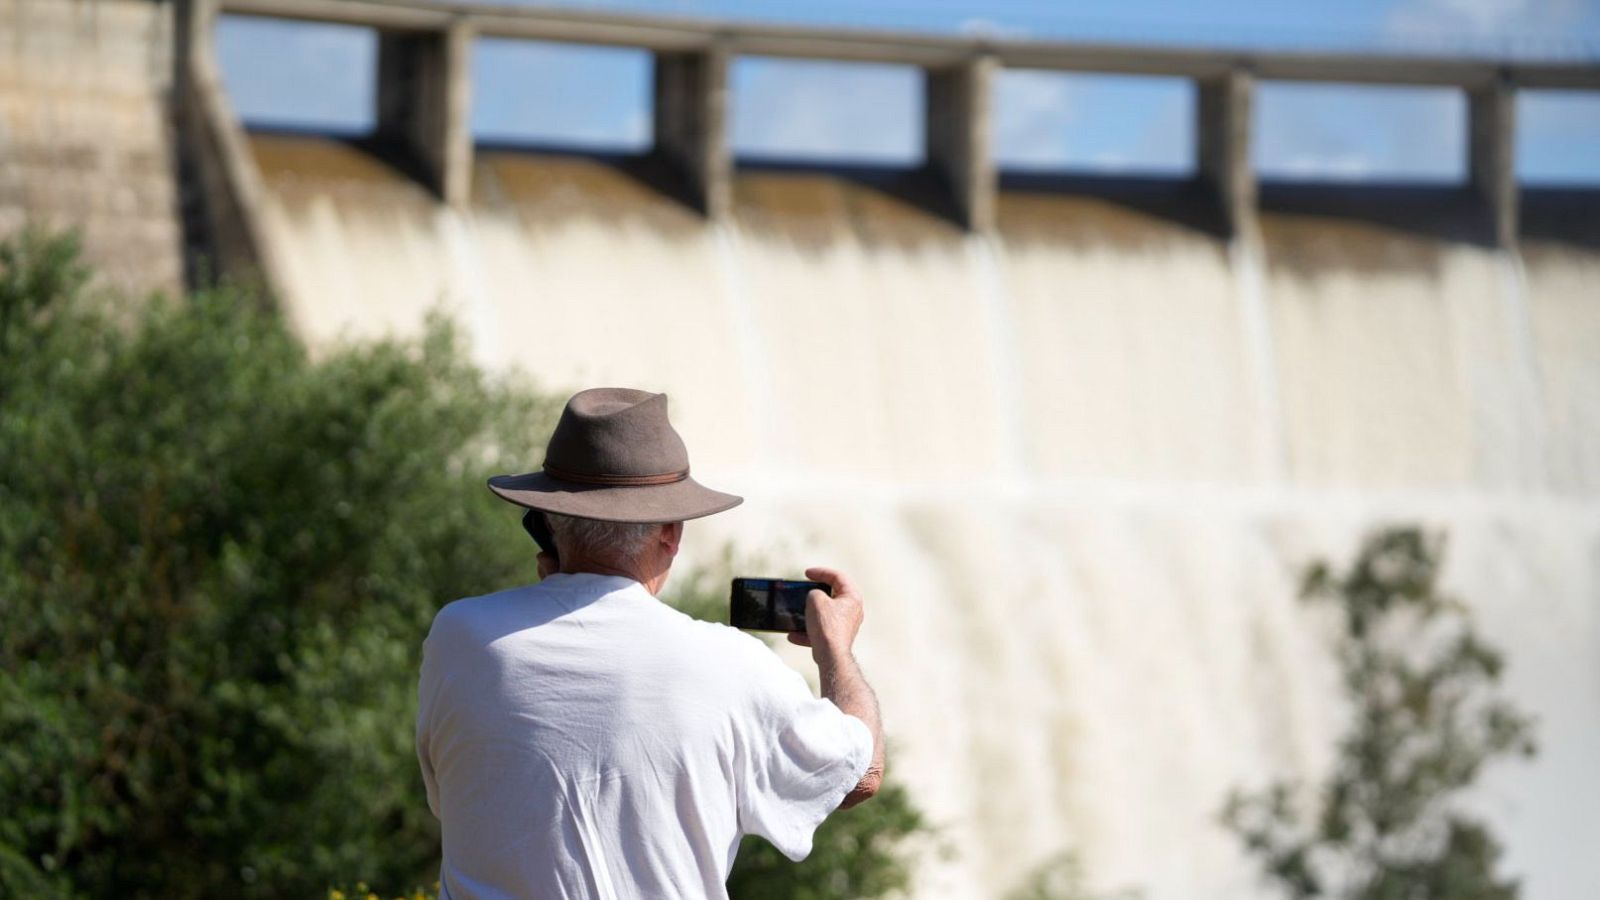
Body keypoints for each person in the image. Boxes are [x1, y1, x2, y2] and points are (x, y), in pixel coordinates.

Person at [416, 387, 885, 899]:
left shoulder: (458, 634)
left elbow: (467, 795)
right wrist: (834, 649)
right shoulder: (730, 666)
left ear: (547, 521)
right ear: (670, 536)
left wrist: (559, 587)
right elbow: (860, 776)